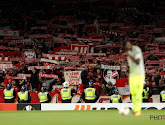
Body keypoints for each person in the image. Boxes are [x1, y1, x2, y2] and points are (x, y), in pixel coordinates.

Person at [123, 40, 145, 116]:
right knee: (133, 93)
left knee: (138, 93)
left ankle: (137, 110)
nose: (128, 47)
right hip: (132, 75)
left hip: (139, 74)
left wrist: (130, 56)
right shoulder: (128, 53)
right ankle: (135, 109)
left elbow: (138, 61)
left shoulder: (136, 50)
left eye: (128, 45)